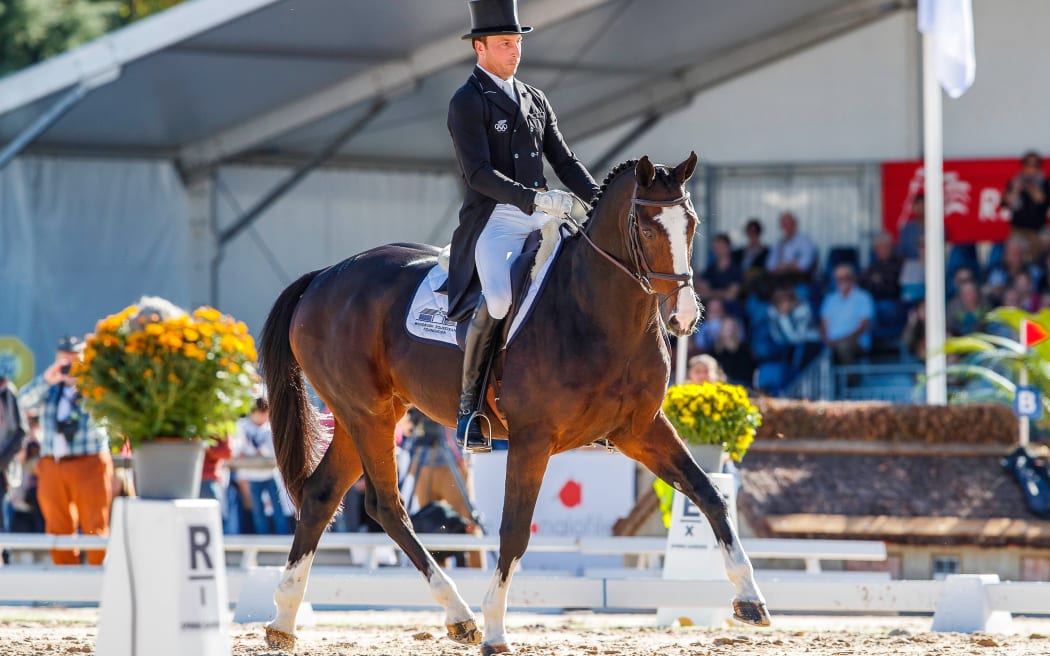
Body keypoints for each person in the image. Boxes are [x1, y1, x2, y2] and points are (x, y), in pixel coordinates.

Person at [447, 0, 600, 452]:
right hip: (496, 218)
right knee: (498, 298)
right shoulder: (466, 101)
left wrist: (600, 201)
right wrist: (533, 198)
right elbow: (477, 174)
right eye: (504, 44)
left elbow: (564, 160)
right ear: (480, 47)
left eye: (517, 43)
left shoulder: (534, 97)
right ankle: (470, 406)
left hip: (544, 215)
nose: (515, 52)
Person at [18, 336, 112, 565]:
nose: (69, 365)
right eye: (64, 359)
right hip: (53, 463)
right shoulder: (50, 390)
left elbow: (106, 408)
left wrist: (86, 378)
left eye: (74, 359)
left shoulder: (96, 386)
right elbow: (22, 402)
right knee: (57, 527)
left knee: (95, 525)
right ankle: (66, 580)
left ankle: (99, 581)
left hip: (89, 462)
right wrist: (47, 379)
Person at [232, 397, 288, 535]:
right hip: (250, 475)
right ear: (254, 412)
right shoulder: (241, 426)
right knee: (258, 511)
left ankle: (283, 537)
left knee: (278, 509)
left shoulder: (271, 426)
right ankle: (263, 538)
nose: (264, 416)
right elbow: (238, 451)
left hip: (270, 473)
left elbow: (275, 450)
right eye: (261, 412)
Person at [820, 265, 875, 366]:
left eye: (846, 277)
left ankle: (851, 381)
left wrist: (840, 341)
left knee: (843, 346)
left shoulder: (863, 297)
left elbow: (863, 327)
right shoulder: (830, 299)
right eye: (838, 278)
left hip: (855, 342)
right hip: (832, 342)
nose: (842, 281)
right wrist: (826, 339)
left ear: (853, 278)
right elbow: (824, 324)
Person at [1002, 151, 1050, 252]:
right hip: (1017, 229)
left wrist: (1030, 187)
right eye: (1028, 164)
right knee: (1015, 256)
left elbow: (1042, 199)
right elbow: (1006, 202)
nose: (1031, 168)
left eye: (1035, 165)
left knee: (1034, 258)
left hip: (1036, 230)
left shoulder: (1044, 182)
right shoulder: (1015, 181)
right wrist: (1016, 189)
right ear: (1023, 165)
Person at [764, 211, 817, 287]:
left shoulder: (805, 241)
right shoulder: (778, 243)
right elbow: (769, 265)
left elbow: (804, 265)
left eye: (790, 223)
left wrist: (786, 266)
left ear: (795, 224)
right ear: (781, 226)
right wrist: (783, 267)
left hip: (798, 278)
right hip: (779, 277)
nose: (787, 227)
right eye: (784, 224)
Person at [698, 233, 743, 308]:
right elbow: (701, 293)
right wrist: (723, 293)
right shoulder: (710, 269)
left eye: (721, 247)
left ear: (729, 247)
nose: (718, 250)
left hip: (730, 311)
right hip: (709, 310)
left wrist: (710, 293)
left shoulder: (736, 269)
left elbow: (731, 296)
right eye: (715, 247)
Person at [858, 233, 903, 302]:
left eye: (885, 247)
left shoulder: (899, 263)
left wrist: (876, 280)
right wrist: (876, 280)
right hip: (872, 298)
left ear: (891, 247)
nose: (882, 251)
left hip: (891, 300)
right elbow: (862, 281)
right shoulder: (874, 264)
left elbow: (892, 287)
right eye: (878, 248)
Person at [897, 193, 925, 260]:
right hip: (912, 263)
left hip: (935, 264)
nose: (920, 208)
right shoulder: (907, 229)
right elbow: (901, 251)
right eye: (917, 205)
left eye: (922, 205)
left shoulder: (938, 227)